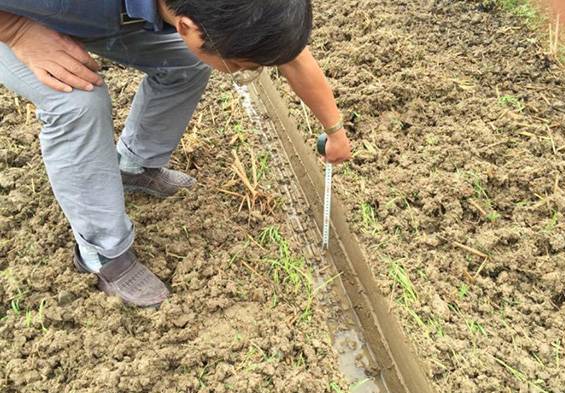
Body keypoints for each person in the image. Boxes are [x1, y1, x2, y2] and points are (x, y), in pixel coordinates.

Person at [0, 0, 352, 307]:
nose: (246, 72)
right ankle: (101, 254)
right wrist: (17, 31)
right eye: (244, 66)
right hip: (21, 18)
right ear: (186, 25)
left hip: (98, 15)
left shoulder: (221, 14)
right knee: (78, 102)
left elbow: (289, 53)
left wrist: (334, 129)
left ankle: (135, 166)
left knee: (187, 58)